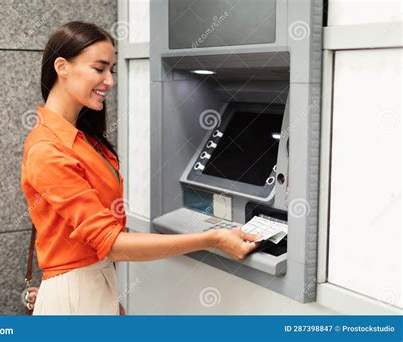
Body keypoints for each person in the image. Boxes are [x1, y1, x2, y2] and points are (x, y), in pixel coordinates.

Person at [21, 21, 260, 315]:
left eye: (112, 70)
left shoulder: (82, 138)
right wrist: (212, 238)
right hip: (76, 295)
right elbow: (112, 243)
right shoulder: (48, 148)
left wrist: (110, 299)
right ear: (62, 66)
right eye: (100, 68)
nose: (110, 80)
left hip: (93, 287)